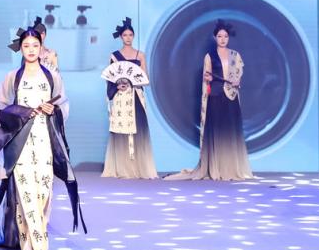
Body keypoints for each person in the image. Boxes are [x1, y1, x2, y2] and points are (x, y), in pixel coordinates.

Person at [0, 26, 86, 250]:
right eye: (26, 46)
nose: (31, 50)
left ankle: (30, 238)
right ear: (20, 48)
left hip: (45, 139)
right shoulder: (13, 77)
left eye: (35, 45)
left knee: (44, 192)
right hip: (21, 141)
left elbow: (64, 104)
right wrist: (20, 113)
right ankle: (39, 246)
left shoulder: (52, 76)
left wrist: (53, 109)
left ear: (41, 46)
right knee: (25, 191)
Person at [166, 20, 253, 181]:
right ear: (215, 38)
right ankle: (216, 168)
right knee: (217, 132)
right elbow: (207, 77)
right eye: (219, 36)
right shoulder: (209, 56)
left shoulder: (235, 55)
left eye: (225, 36)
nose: (223, 39)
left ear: (228, 38)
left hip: (231, 97)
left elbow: (239, 74)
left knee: (231, 132)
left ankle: (231, 168)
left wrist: (237, 82)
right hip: (216, 96)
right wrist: (207, 79)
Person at [102, 17, 158, 179]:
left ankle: (139, 168)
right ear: (121, 37)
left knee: (138, 130)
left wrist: (133, 81)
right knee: (121, 131)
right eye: (125, 35)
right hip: (120, 97)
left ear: (134, 36)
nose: (128, 38)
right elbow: (110, 79)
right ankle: (122, 167)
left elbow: (145, 79)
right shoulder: (114, 56)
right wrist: (117, 86)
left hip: (135, 96)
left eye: (130, 35)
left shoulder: (140, 55)